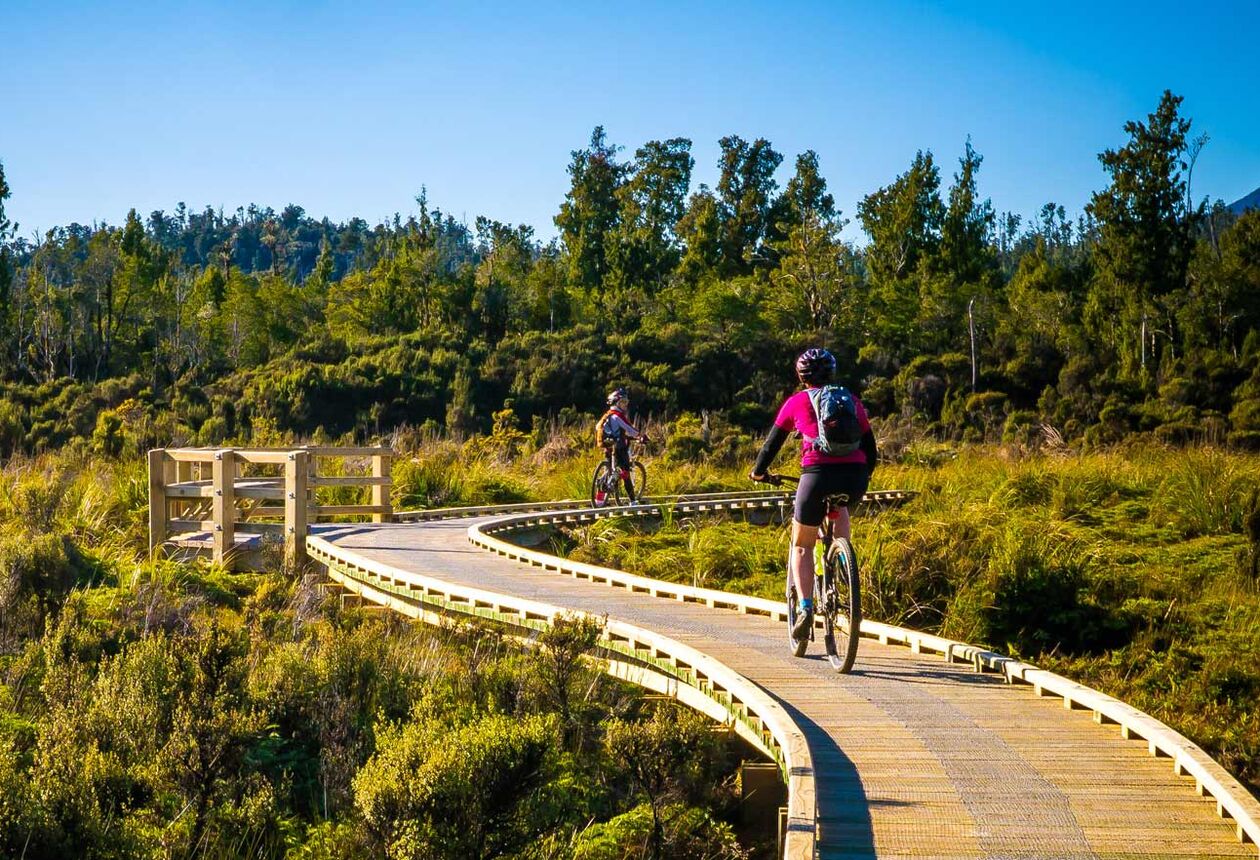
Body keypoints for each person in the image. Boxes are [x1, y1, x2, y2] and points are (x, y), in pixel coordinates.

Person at [749, 348, 877, 641]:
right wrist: (861, 476)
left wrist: (758, 472)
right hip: (855, 476)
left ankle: (806, 608)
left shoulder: (796, 402)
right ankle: (843, 563)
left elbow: (771, 446)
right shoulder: (851, 400)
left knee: (803, 544)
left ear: (801, 376)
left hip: (817, 475)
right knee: (840, 509)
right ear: (832, 372)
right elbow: (871, 449)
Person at [595, 387, 647, 504]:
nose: (625, 405)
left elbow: (598, 427)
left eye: (626, 402)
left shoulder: (607, 415)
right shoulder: (617, 416)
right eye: (623, 402)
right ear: (616, 403)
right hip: (619, 448)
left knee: (610, 471)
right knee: (625, 472)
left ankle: (598, 501)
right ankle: (633, 501)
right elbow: (629, 428)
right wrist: (640, 436)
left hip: (607, 445)